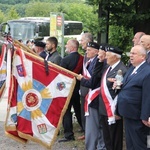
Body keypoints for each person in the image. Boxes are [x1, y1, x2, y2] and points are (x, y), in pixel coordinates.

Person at [117, 45, 150, 150]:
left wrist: (145, 116)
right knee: (130, 143)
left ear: (143, 57)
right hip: (128, 113)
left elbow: (147, 95)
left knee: (140, 144)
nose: (131, 55)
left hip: (138, 115)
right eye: (130, 53)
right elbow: (127, 86)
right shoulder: (132, 69)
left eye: (134, 53)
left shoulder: (147, 72)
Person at [77, 42, 106, 150]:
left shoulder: (98, 62)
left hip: (95, 97)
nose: (86, 52)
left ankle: (94, 147)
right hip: (90, 95)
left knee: (94, 127)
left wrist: (82, 80)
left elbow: (93, 82)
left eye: (89, 50)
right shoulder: (90, 62)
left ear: (96, 51)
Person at [98, 46, 127, 150]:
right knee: (107, 138)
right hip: (104, 109)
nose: (105, 58)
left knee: (115, 139)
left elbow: (120, 92)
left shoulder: (121, 70)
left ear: (115, 57)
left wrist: (118, 111)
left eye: (108, 55)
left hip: (113, 111)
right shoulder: (108, 68)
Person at [58, 39, 83, 142]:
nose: (65, 47)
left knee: (66, 112)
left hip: (68, 90)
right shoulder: (83, 59)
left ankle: (69, 134)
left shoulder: (65, 60)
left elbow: (61, 77)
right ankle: (84, 128)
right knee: (78, 109)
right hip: (78, 89)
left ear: (72, 47)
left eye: (67, 45)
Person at [78, 32, 93, 140]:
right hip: (84, 87)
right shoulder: (86, 55)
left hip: (90, 89)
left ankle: (89, 133)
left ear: (88, 41)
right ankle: (85, 131)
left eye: (82, 40)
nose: (81, 42)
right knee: (83, 110)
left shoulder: (92, 55)